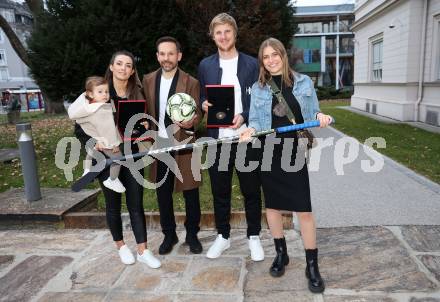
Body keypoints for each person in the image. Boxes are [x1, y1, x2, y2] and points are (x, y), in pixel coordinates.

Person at [240, 37, 332, 293]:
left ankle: (312, 264)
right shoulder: (259, 88)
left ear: (283, 55)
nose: (271, 60)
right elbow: (257, 121)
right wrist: (249, 130)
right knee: (273, 206)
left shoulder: (303, 82)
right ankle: (282, 254)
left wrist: (320, 117)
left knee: (303, 209)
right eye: (266, 57)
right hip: (268, 150)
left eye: (274, 55)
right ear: (262, 61)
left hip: (294, 150)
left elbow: (313, 112)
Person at [73, 50, 161, 269]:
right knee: (112, 204)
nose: (124, 68)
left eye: (128, 65)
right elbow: (80, 128)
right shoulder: (99, 92)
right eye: (119, 64)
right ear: (111, 66)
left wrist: (145, 126)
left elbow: (142, 124)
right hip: (106, 157)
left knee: (136, 203)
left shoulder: (137, 93)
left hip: (132, 154)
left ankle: (143, 250)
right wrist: (95, 144)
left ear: (132, 71)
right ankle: (121, 246)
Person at [198, 13, 264, 261]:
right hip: (218, 139)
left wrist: (245, 115)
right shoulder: (205, 65)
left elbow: (261, 98)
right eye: (218, 32)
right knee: (220, 190)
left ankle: (254, 236)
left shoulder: (251, 64)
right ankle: (223, 236)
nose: (223, 36)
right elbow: (203, 95)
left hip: (246, 137)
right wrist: (203, 103)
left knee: (251, 190)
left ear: (235, 34)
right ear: (213, 36)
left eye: (227, 31)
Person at [143, 36, 203, 255]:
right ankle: (169, 234)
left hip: (184, 141)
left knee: (191, 192)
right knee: (163, 192)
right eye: (162, 54)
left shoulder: (191, 82)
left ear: (179, 55)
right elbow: (144, 109)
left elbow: (197, 113)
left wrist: (191, 122)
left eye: (171, 53)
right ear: (157, 56)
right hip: (159, 143)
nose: (166, 58)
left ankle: (192, 235)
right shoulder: (147, 80)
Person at [68, 76, 125, 193]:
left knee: (91, 152)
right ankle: (112, 180)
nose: (105, 94)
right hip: (106, 142)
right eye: (100, 92)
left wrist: (93, 138)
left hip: (95, 141)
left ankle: (87, 170)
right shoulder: (102, 109)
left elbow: (81, 121)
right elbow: (108, 129)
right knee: (118, 158)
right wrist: (114, 144)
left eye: (106, 92)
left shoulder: (87, 107)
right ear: (91, 94)